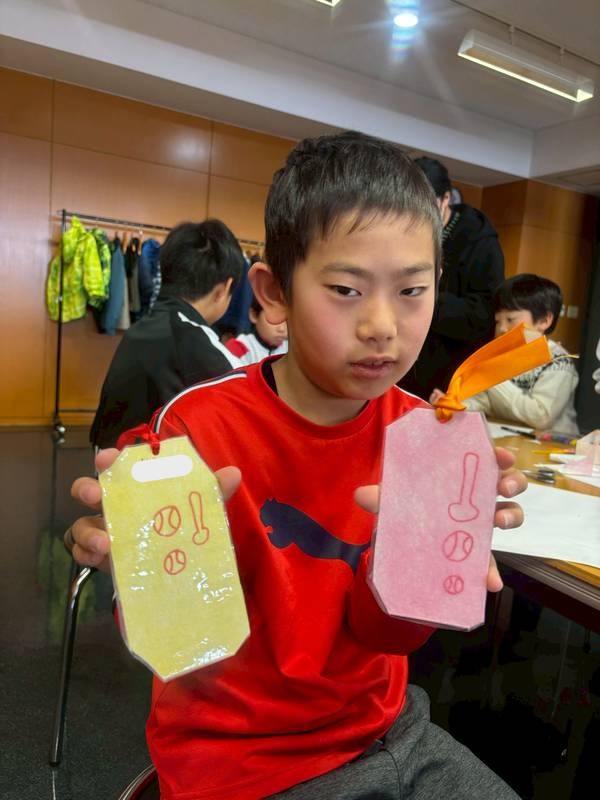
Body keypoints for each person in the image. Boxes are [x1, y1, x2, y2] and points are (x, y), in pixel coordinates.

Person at [68, 131, 527, 800]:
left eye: (412, 289)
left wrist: (428, 556)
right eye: (345, 289)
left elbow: (387, 637)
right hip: (243, 759)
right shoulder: (193, 432)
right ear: (274, 293)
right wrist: (152, 575)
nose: (382, 325)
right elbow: (182, 644)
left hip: (389, 729)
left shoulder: (426, 437)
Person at [90, 219, 244, 448]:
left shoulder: (138, 331)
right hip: (156, 467)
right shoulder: (198, 343)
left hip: (109, 462)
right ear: (224, 289)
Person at [400, 156, 505, 399]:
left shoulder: (479, 242)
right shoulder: (407, 233)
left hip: (449, 370)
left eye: (426, 205)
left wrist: (423, 297)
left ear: (446, 198)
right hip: (406, 360)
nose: (416, 214)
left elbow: (484, 314)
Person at [454, 274, 579, 435]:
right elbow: (486, 402)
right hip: (508, 437)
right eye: (498, 321)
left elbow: (541, 416)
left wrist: (492, 377)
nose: (502, 328)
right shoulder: (502, 357)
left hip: (551, 444)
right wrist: (456, 405)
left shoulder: (558, 361)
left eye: (510, 319)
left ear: (544, 320)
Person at [225, 294, 288, 365]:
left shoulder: (291, 349)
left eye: (287, 320)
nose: (282, 329)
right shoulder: (238, 348)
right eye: (274, 318)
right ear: (254, 315)